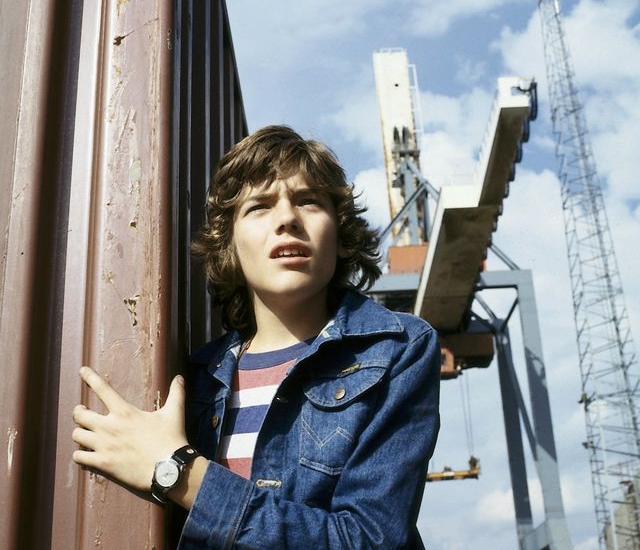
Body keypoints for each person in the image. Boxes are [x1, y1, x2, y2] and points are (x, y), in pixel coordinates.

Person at [72, 125, 440, 549]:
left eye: (308, 201)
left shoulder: (398, 349)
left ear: (340, 237)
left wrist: (177, 472)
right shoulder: (196, 378)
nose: (287, 219)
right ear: (230, 244)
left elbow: (369, 540)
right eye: (260, 207)